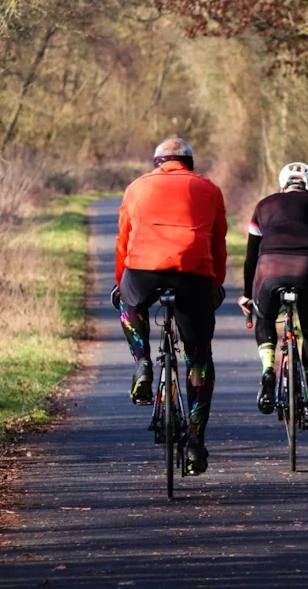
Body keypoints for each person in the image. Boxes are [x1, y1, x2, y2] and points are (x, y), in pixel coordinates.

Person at [112, 138, 227, 475]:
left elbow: (123, 240)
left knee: (130, 306)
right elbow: (217, 243)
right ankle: (195, 440)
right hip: (193, 275)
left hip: (143, 270)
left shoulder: (137, 187)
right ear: (188, 163)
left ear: (157, 162)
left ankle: (143, 363)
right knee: (198, 357)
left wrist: (123, 284)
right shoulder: (210, 189)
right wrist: (215, 283)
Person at [237, 162, 308, 429]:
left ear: (283, 185)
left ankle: (269, 368)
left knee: (265, 318)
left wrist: (248, 294)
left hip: (269, 270)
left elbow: (251, 257)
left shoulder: (264, 205)